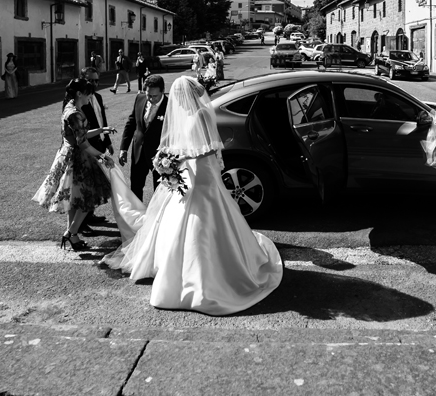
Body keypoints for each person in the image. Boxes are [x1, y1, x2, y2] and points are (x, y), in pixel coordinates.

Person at [101, 76, 283, 315]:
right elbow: (181, 144)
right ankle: (175, 268)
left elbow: (209, 147)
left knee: (204, 216)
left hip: (202, 174)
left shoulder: (202, 115)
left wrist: (177, 162)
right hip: (188, 172)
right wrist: (168, 160)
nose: (176, 102)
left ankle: (206, 274)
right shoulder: (184, 115)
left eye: (178, 97)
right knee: (177, 217)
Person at [32, 78, 114, 251]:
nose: (90, 97)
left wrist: (101, 130)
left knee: (74, 200)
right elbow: (82, 143)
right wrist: (102, 156)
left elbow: (79, 135)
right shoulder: (75, 113)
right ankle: (70, 232)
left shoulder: (70, 108)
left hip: (69, 155)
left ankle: (73, 236)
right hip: (77, 159)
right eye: (88, 93)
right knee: (88, 198)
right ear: (79, 94)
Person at [119, 74, 169, 200]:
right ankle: (137, 216)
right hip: (138, 152)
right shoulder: (140, 99)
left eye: (154, 96)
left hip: (159, 156)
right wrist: (123, 148)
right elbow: (131, 123)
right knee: (135, 187)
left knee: (160, 189)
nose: (151, 99)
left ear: (162, 91)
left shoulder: (170, 106)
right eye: (148, 95)